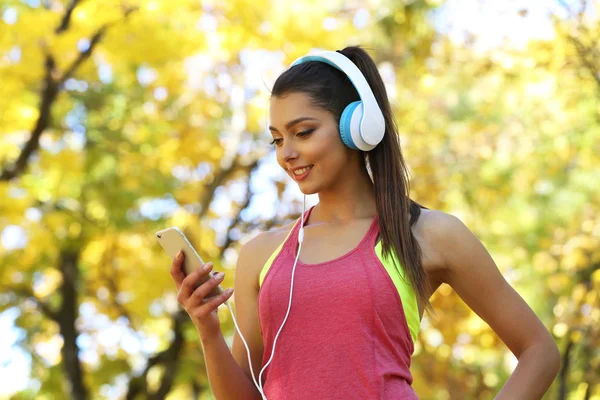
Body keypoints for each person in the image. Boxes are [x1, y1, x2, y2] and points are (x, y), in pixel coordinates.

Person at [170, 46, 560, 399]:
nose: (287, 153)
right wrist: (207, 329)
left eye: (303, 132)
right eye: (276, 139)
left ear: (357, 127)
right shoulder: (260, 255)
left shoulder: (428, 234)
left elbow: (539, 351)